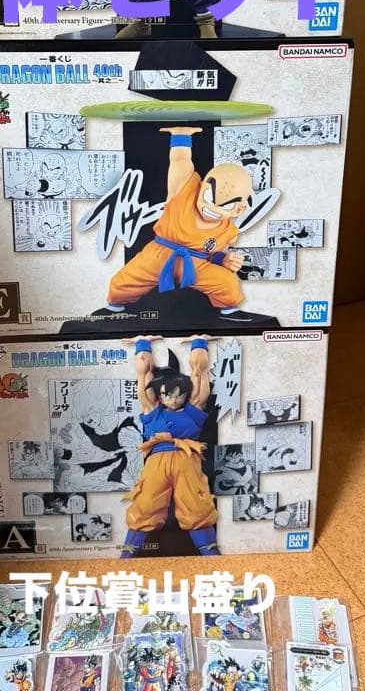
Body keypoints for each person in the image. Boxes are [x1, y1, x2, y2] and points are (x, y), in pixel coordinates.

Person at [100, 126, 256, 323]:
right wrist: (181, 136)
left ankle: (229, 311)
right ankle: (114, 307)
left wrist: (224, 261)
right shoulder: (184, 194)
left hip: (197, 264)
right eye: (208, 197)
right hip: (158, 255)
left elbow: (216, 254)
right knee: (122, 281)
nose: (211, 208)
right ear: (202, 186)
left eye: (225, 205)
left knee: (227, 283)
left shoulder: (228, 231)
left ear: (239, 210)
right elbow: (180, 162)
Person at [120, 335, 219, 558]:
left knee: (196, 505)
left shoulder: (192, 411)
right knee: (145, 504)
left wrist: (199, 343)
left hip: (187, 460)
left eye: (178, 395)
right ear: (160, 395)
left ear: (185, 394)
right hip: (157, 462)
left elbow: (199, 374)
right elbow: (143, 376)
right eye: (167, 395)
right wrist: (143, 344)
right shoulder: (153, 412)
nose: (173, 400)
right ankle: (127, 556)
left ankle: (211, 555)